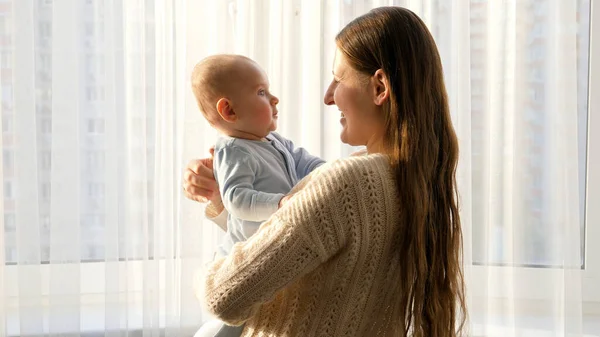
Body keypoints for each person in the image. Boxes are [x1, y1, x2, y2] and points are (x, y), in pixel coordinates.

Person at [185, 6, 467, 337]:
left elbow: (223, 298)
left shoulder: (345, 184)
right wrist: (222, 201)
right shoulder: (411, 180)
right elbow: (303, 253)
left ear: (380, 88)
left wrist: (203, 273)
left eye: (339, 78)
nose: (328, 96)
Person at [190, 55, 324, 336]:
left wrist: (337, 171)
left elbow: (306, 163)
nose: (274, 99)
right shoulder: (233, 151)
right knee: (230, 324)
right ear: (229, 110)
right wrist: (279, 204)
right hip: (243, 252)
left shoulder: (275, 141)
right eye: (262, 92)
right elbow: (237, 199)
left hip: (271, 248)